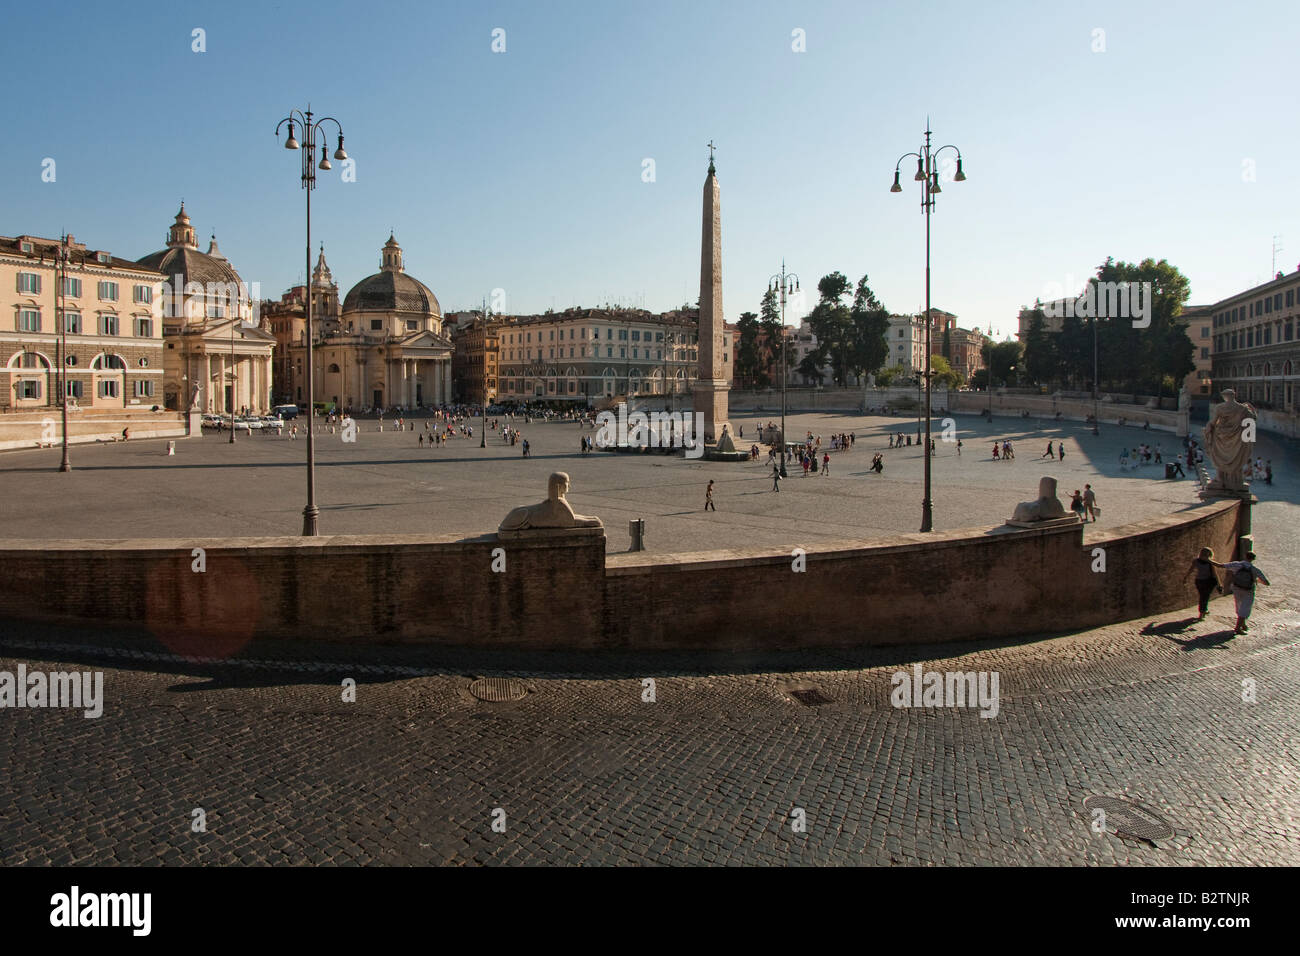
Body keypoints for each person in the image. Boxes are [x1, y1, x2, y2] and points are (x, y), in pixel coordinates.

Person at [1212, 551, 1271, 634]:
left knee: (1239, 606)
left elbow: (1220, 565)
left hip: (1236, 588)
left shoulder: (1237, 564)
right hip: (1248, 591)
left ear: (1245, 556)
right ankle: (1237, 628)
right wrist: (1256, 580)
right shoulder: (1255, 570)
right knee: (1245, 609)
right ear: (1253, 559)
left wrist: (1208, 560)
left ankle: (1243, 624)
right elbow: (1267, 583)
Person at [1182, 547, 1219, 621]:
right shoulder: (1210, 562)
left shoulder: (1196, 561)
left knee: (1203, 596)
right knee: (1204, 597)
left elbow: (1191, 570)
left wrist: (1185, 578)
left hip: (1199, 581)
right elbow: (1215, 574)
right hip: (1207, 582)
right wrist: (1219, 583)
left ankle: (1204, 611)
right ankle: (1201, 614)